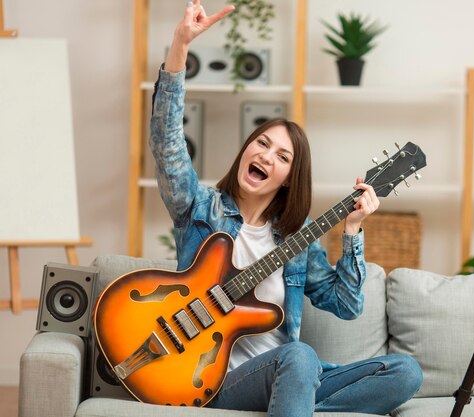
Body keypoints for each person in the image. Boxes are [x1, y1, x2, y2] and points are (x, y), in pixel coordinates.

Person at [149, 1, 423, 416]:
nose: (266, 156)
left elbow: (346, 305)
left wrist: (352, 231)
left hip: (286, 376)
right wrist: (180, 45)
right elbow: (167, 142)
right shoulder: (200, 207)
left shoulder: (296, 237)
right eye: (262, 143)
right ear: (247, 150)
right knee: (299, 356)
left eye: (282, 156)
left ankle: (292, 405)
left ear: (290, 178)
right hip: (210, 379)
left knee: (405, 372)